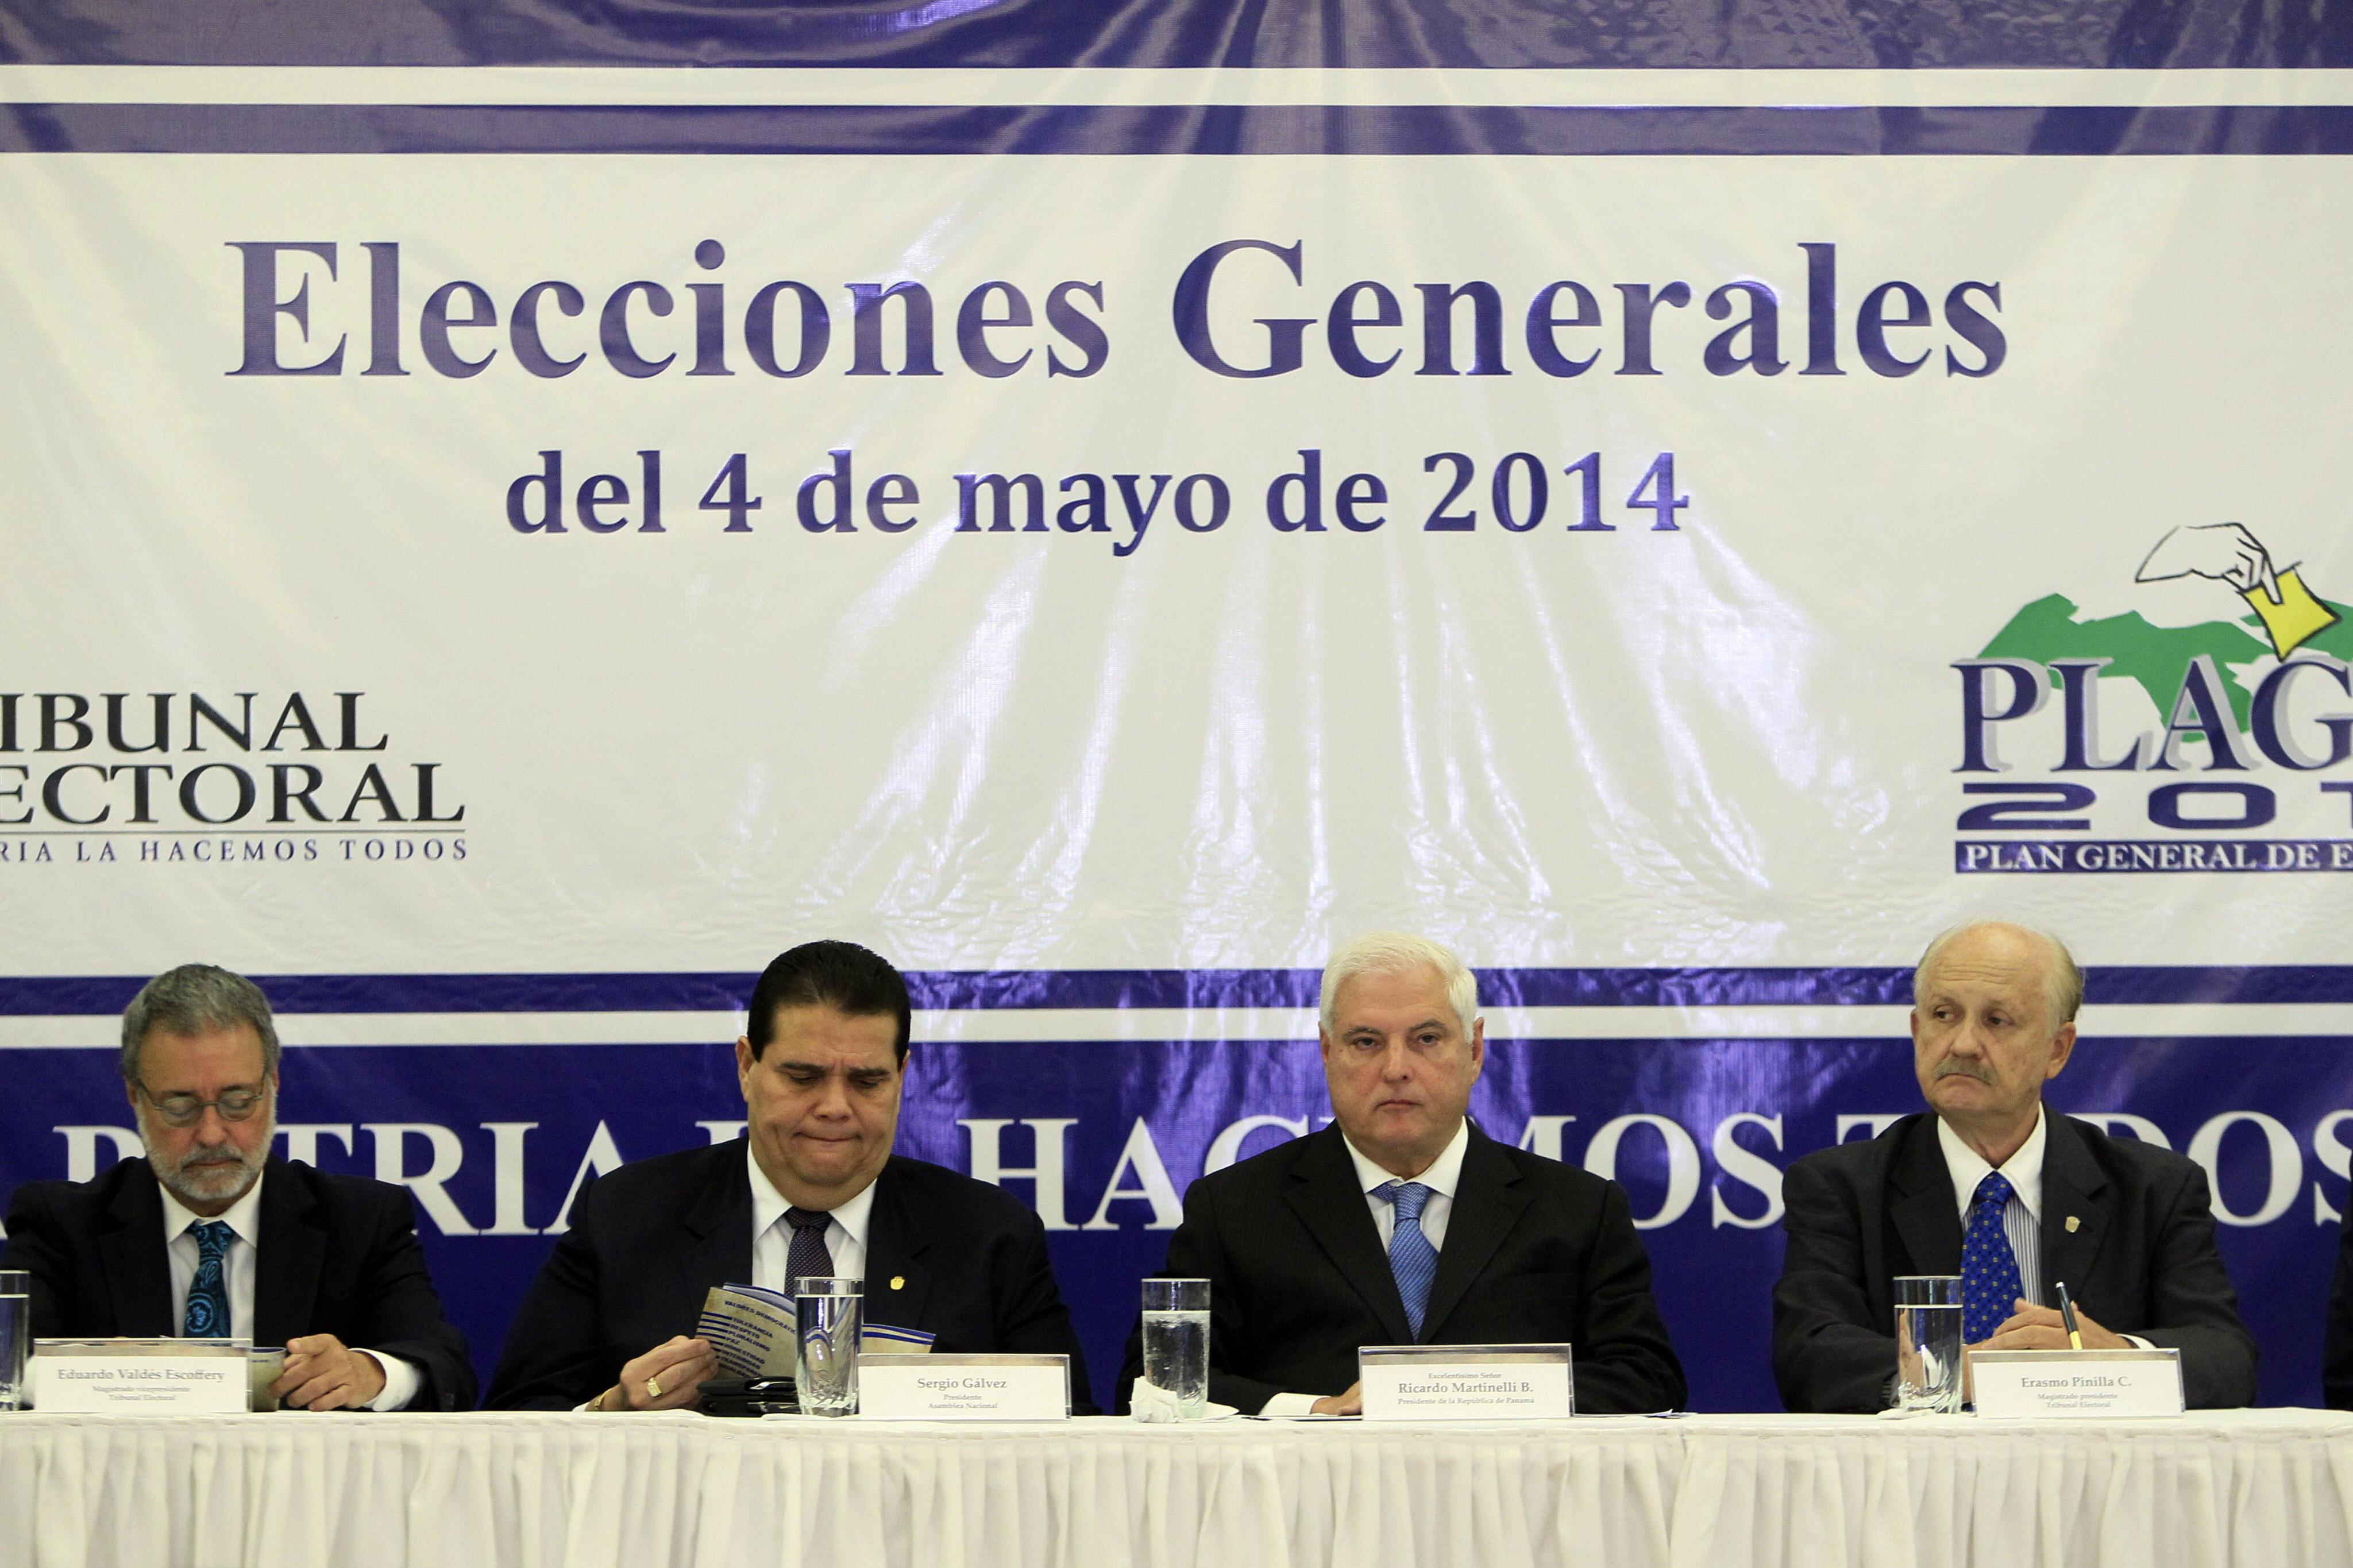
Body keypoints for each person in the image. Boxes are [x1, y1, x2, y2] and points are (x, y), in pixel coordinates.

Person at [485, 939, 1094, 1412]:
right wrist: (615, 1409)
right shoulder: (626, 1215)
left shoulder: (990, 1236)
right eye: (803, 1077)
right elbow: (513, 1425)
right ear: (747, 1067)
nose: (834, 1107)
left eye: (867, 1081)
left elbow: (1072, 1439)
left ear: (902, 1077)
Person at [1119, 931, 1685, 1415]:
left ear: (1474, 1050)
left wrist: (1462, 1395)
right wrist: (1314, 1410)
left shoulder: (1578, 1209)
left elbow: (1647, 1379)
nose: (1396, 1069)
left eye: (1426, 1039)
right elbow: (1155, 1385)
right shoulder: (1234, 1209)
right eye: (1366, 1042)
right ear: (1326, 1052)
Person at [1773, 920, 2258, 1411]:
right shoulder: (1842, 1188)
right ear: (1918, 1032)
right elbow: (1808, 1357)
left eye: (1997, 1020)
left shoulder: (2153, 1188)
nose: (1963, 1044)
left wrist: (2116, 1358)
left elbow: (2226, 1359)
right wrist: (1964, 1375)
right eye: (1944, 1015)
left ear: (2057, 1050)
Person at [1, 964, 475, 1411]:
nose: (211, 1134)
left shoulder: (361, 1220)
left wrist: (370, 1373)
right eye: (180, 1106)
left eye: (237, 1101)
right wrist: (94, 1376)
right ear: (135, 1097)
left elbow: (441, 1365)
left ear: (273, 1085)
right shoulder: (61, 1224)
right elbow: (7, 1364)